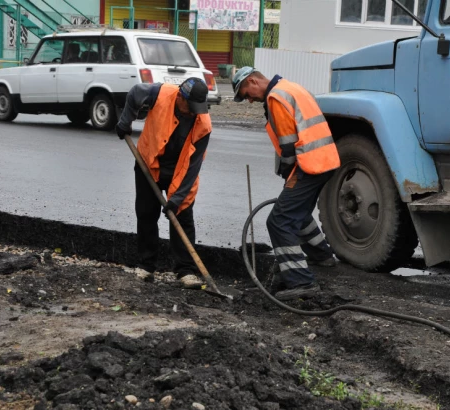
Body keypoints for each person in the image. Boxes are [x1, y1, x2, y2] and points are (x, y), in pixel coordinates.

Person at [232, 67, 341, 301]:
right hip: (324, 160)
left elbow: (289, 143)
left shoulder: (276, 97)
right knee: (297, 212)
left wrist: (287, 169)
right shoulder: (292, 87)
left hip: (308, 164)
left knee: (279, 220)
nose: (249, 100)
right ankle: (322, 256)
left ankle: (301, 280)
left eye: (246, 94)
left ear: (252, 80)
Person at [116, 77, 211, 289]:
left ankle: (185, 271)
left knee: (183, 215)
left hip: (180, 171)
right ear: (180, 97)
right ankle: (147, 266)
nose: (193, 112)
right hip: (148, 161)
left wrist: (176, 199)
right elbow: (133, 94)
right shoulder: (158, 93)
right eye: (190, 107)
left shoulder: (203, 123)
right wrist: (125, 121)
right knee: (146, 213)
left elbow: (194, 166)